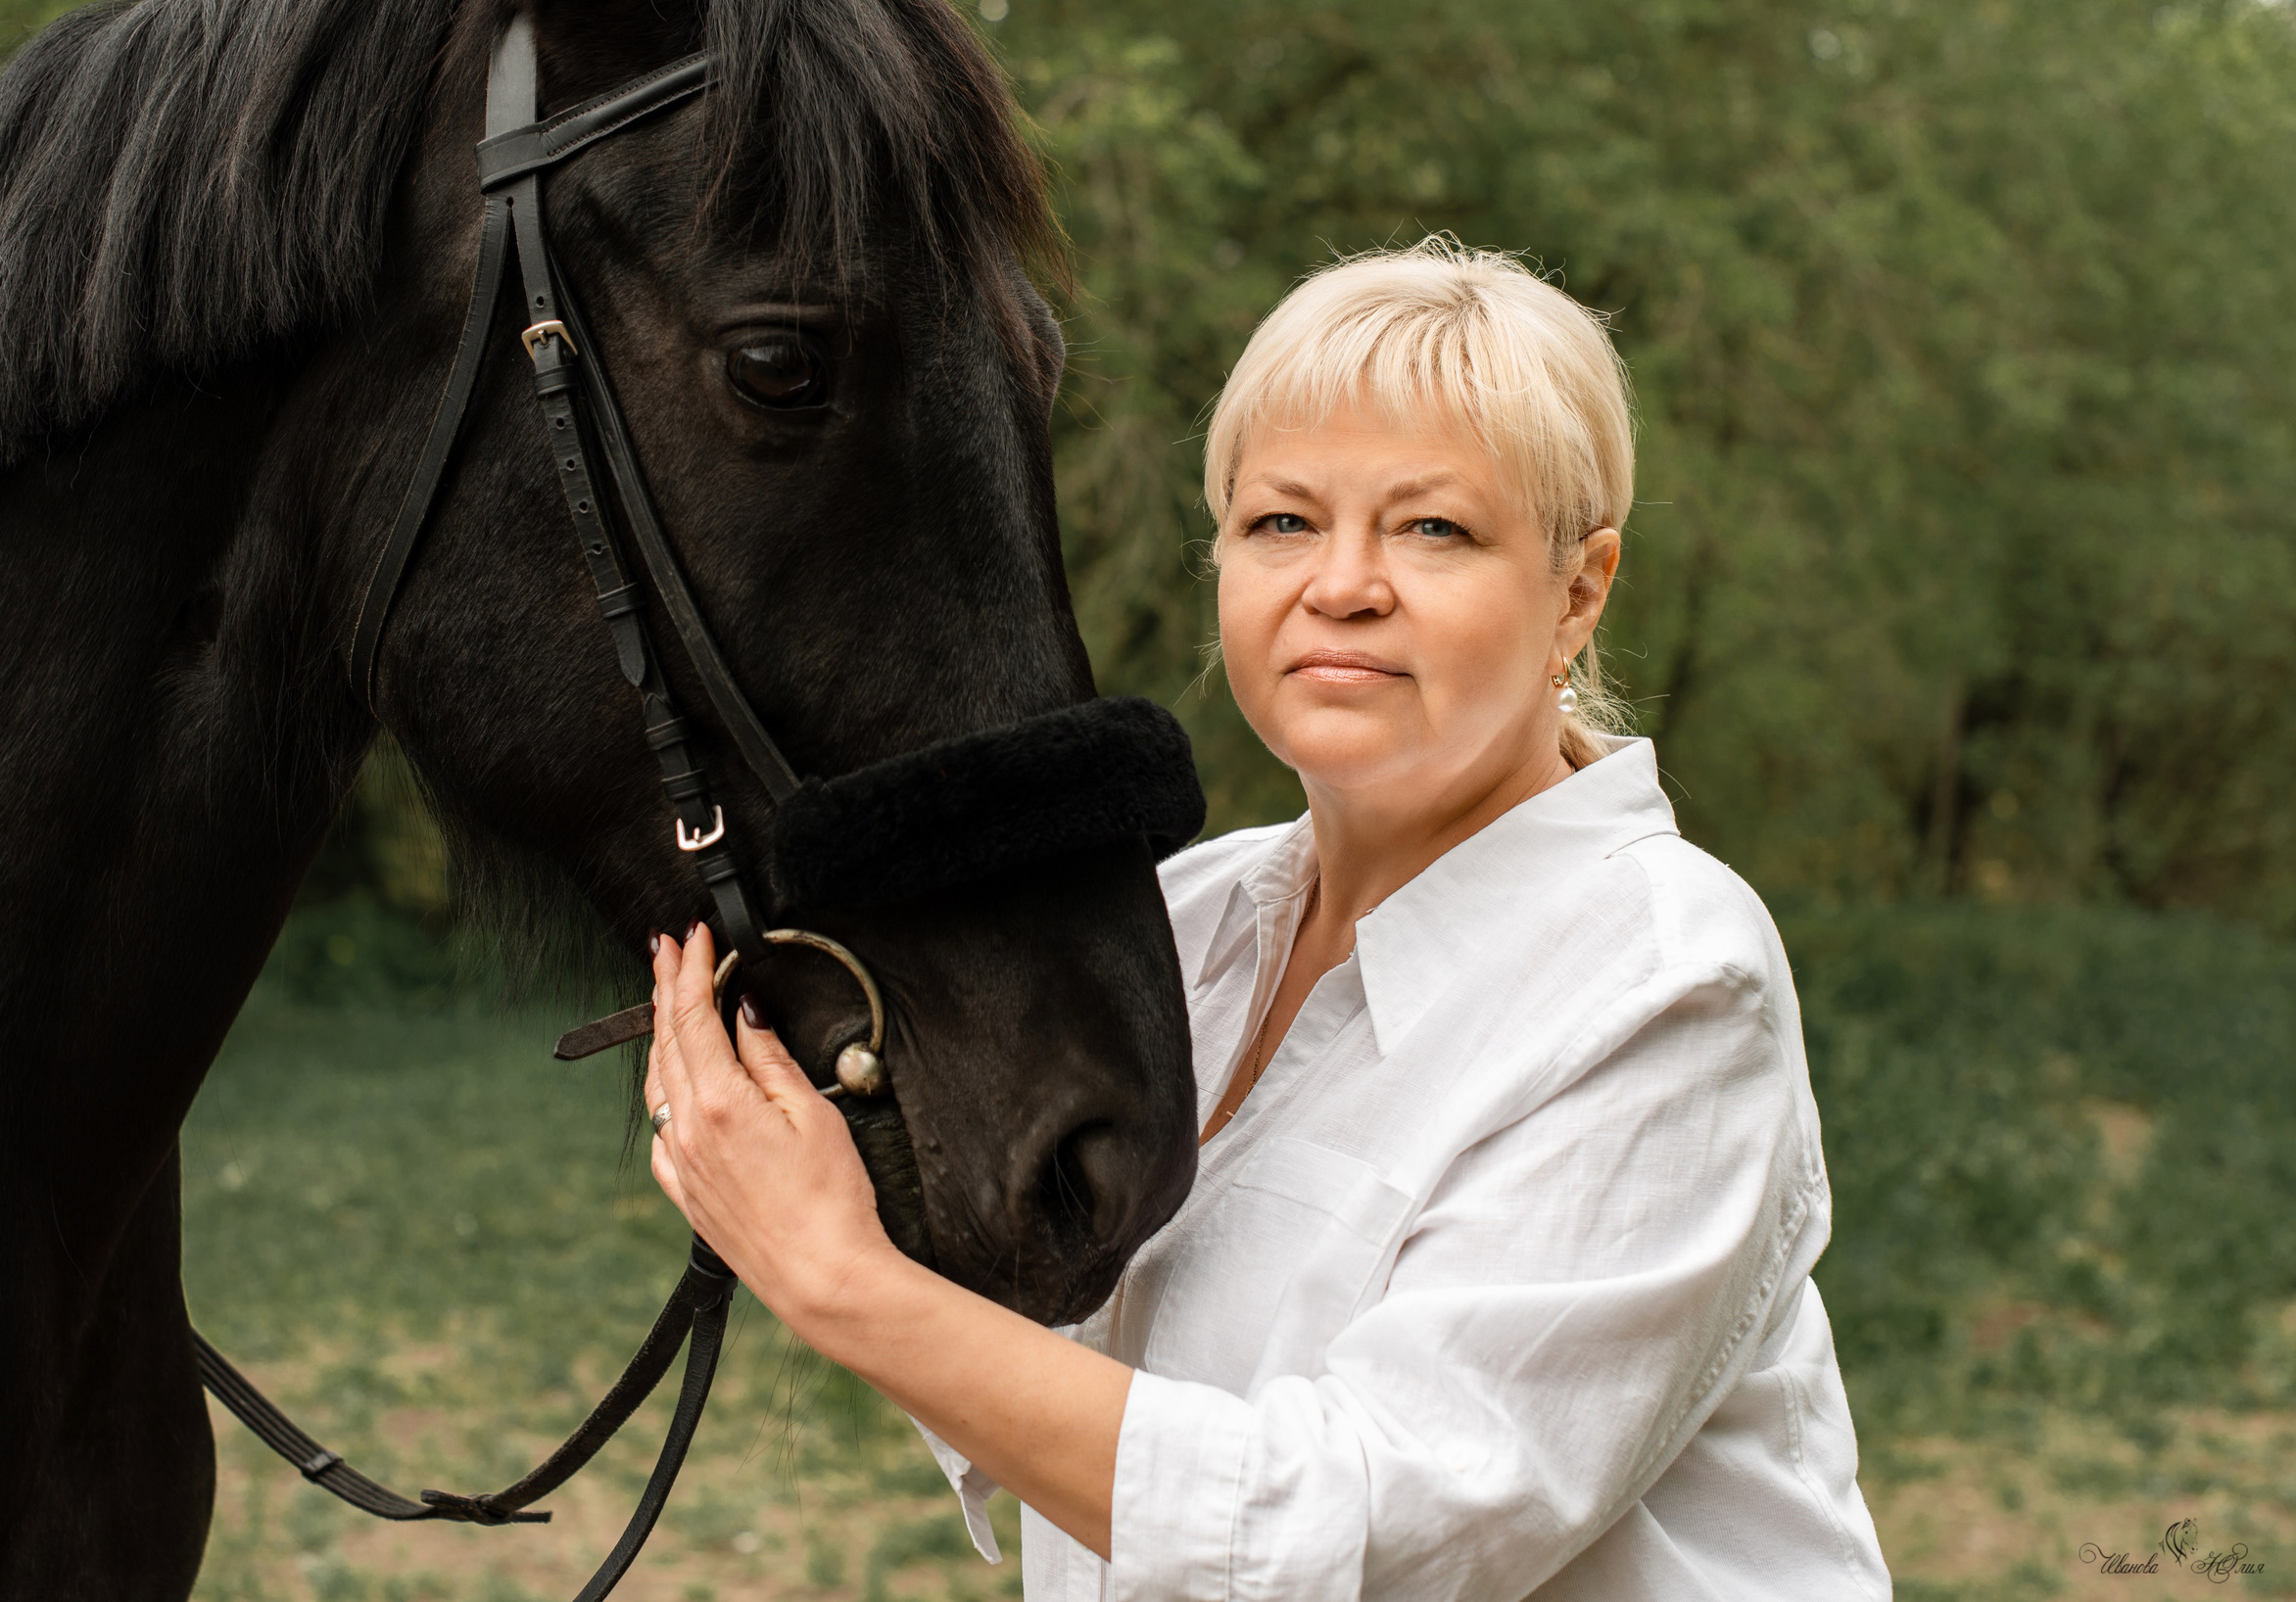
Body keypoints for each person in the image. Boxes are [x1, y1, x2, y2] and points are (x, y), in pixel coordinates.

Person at [639, 235, 1892, 1600]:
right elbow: (1065, 1361)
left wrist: (843, 1284)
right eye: (1283, 521)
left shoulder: (1663, 980)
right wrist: (817, 1171)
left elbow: (1380, 1526)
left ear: (1578, 593)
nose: (1340, 584)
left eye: (1434, 528)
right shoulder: (1187, 920)